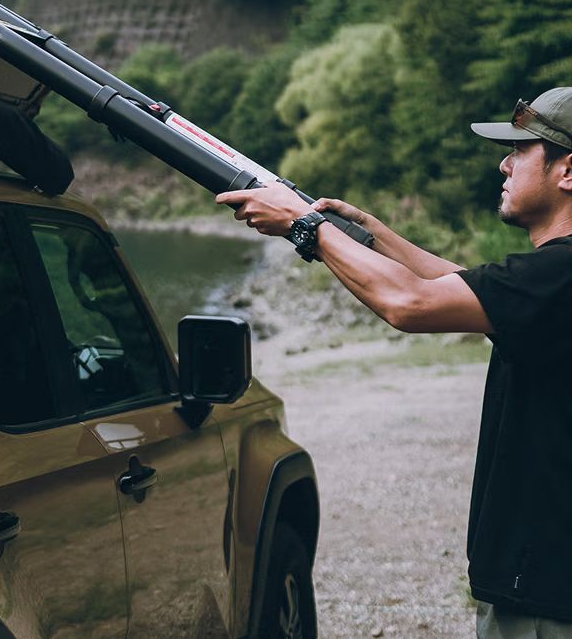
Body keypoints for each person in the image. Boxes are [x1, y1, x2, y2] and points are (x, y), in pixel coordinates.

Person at [215, 88, 572, 639]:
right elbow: (462, 286)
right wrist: (370, 231)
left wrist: (302, 226)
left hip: (548, 598)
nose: (503, 163)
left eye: (521, 151)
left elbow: (410, 303)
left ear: (566, 171)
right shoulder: (548, 280)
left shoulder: (558, 276)